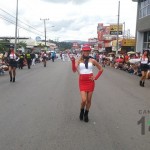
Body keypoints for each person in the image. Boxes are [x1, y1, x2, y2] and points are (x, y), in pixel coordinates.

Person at [71, 44, 103, 122]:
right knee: (84, 100)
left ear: (89, 51)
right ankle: (81, 111)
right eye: (85, 50)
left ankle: (86, 114)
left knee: (89, 100)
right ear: (82, 51)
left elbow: (101, 69)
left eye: (88, 50)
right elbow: (74, 70)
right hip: (82, 81)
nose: (86, 52)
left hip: (90, 81)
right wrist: (72, 62)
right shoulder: (78, 60)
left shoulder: (92, 60)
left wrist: (95, 77)